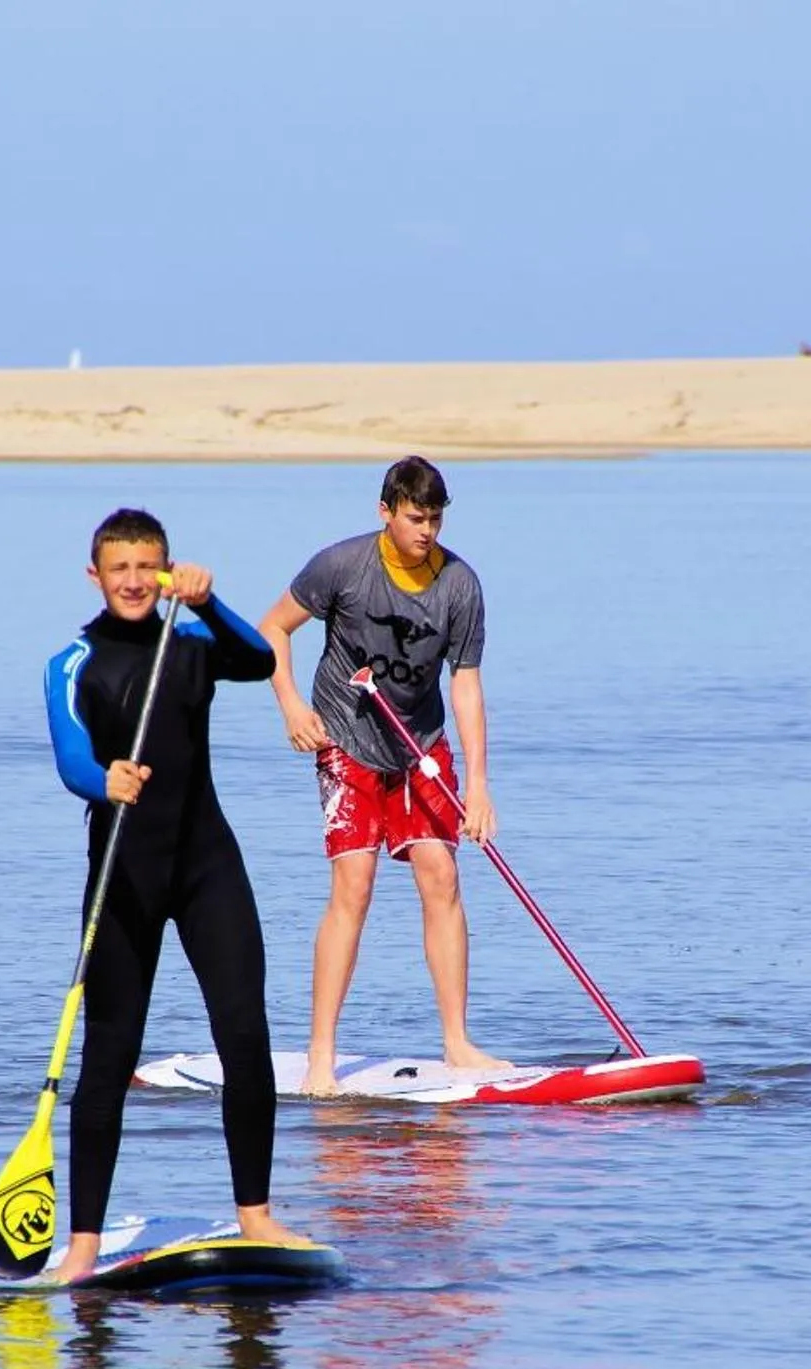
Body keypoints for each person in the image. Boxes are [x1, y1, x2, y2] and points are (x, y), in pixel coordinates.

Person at [42, 507, 309, 1284]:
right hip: (122, 873)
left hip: (207, 868)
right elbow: (70, 759)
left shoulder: (188, 644)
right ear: (94, 574)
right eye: (118, 568)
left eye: (147, 568)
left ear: (165, 572)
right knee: (109, 1054)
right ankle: (86, 1242)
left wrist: (205, 602)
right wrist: (106, 779)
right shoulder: (72, 661)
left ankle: (256, 1214)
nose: (132, 581)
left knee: (245, 1033)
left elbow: (259, 660)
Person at [256, 456, 505, 1096]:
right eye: (416, 518)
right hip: (346, 737)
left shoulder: (460, 585)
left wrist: (478, 784)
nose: (427, 531)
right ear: (386, 511)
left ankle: (456, 1040)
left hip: (418, 743)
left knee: (442, 874)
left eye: (436, 519)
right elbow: (273, 629)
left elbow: (467, 684)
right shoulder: (342, 567)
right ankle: (321, 1056)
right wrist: (291, 705)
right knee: (355, 883)